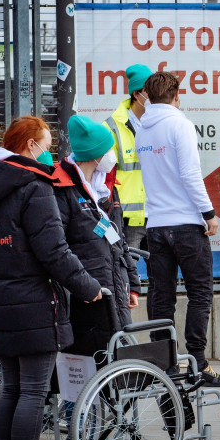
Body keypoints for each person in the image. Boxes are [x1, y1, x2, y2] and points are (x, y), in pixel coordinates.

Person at [0, 116, 104, 440]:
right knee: (32, 391)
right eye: (45, 146)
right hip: (34, 300)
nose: (49, 155)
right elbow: (54, 252)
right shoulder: (35, 186)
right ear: (29, 146)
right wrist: (89, 287)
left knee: (11, 389)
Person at [135, 71, 220, 387]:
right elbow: (191, 175)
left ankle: (163, 366)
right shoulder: (181, 125)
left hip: (157, 225)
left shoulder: (142, 130)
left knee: (161, 296)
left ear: (147, 96)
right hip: (187, 225)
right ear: (177, 96)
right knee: (200, 293)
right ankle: (199, 365)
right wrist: (209, 214)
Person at [56, 115, 140, 358]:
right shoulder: (64, 189)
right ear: (95, 155)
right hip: (87, 294)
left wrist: (132, 286)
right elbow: (57, 245)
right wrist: (83, 286)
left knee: (119, 364)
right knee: (88, 362)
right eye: (108, 149)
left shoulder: (107, 188)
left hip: (116, 289)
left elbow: (119, 240)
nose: (112, 155)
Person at [103, 63, 150, 250]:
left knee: (162, 274)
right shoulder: (112, 127)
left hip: (159, 213)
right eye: (150, 91)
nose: (155, 97)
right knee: (126, 273)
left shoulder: (162, 122)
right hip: (127, 217)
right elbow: (104, 175)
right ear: (136, 95)